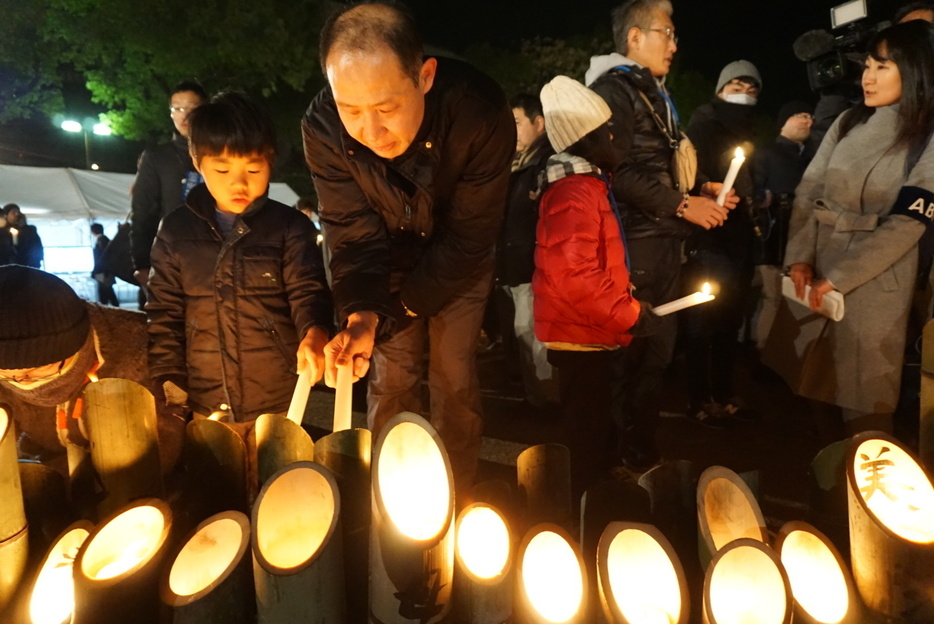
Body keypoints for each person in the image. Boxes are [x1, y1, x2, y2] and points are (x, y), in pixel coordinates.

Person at [302, 2, 515, 495]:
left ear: (424, 76)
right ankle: (391, 494)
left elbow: (467, 239)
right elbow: (351, 230)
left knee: (453, 377)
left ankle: (455, 494)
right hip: (385, 259)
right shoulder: (321, 126)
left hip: (460, 260)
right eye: (350, 111)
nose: (370, 132)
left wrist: (393, 314)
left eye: (386, 109)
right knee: (389, 377)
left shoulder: (478, 111)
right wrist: (361, 316)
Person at [585, 0, 737, 470]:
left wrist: (701, 188)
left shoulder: (649, 89)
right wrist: (683, 204)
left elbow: (657, 165)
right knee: (630, 356)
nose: (674, 44)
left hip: (663, 241)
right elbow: (616, 173)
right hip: (635, 244)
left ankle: (639, 454)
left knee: (655, 355)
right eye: (666, 33)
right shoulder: (614, 90)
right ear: (634, 37)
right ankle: (611, 462)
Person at [783, 20, 934, 438]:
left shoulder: (927, 133)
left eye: (883, 67)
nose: (867, 77)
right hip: (816, 272)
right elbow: (808, 190)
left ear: (917, 69)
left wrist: (842, 276)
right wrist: (799, 256)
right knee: (816, 386)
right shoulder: (848, 121)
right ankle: (829, 493)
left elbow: (909, 222)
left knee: (865, 405)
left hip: (878, 281)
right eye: (866, 65)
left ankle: (868, 497)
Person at [146, 91, 333, 429]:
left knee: (280, 477)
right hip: (204, 393)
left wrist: (315, 331)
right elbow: (164, 311)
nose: (239, 182)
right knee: (218, 477)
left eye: (253, 168)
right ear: (196, 161)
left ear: (270, 162)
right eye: (221, 168)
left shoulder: (290, 227)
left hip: (278, 394)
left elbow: (308, 293)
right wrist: (168, 374)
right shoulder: (175, 231)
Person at [534, 76, 657, 499]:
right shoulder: (575, 191)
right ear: (586, 139)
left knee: (595, 422)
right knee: (585, 431)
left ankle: (595, 495)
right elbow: (576, 276)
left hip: (587, 331)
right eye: (606, 131)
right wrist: (630, 314)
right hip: (579, 334)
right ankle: (586, 514)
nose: (614, 137)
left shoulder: (585, 185)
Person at [0, 265, 184, 473]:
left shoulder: (142, 351)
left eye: (36, 370)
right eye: (5, 375)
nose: (21, 381)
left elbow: (158, 453)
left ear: (75, 345)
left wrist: (61, 477)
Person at [681, 60, 762, 425]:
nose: (744, 94)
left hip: (739, 240)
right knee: (702, 318)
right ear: (719, 89)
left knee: (730, 319)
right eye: (736, 86)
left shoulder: (749, 132)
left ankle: (725, 390)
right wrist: (705, 188)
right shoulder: (703, 124)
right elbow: (687, 175)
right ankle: (699, 396)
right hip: (709, 237)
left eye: (752, 89)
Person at [496, 93, 556, 408]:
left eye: (517, 123)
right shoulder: (518, 162)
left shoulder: (546, 163)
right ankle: (536, 395)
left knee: (532, 332)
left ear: (539, 123)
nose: (511, 130)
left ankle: (545, 401)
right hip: (514, 263)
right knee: (522, 333)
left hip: (532, 266)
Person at [131, 80, 207, 307]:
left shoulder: (219, 152)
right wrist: (142, 264)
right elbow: (143, 211)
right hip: (168, 264)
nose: (184, 116)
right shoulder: (157, 157)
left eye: (192, 108)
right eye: (178, 108)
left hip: (213, 259)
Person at [752, 101, 815, 350]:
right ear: (784, 120)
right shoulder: (766, 152)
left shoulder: (812, 156)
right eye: (800, 115)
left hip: (801, 236)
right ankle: (764, 349)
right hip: (773, 236)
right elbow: (753, 190)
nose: (807, 121)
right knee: (774, 296)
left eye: (810, 116)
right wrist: (763, 198)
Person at [3, 203, 43, 268]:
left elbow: (36, 246)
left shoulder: (29, 230)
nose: (17, 214)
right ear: (6, 215)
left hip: (28, 265)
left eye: (18, 212)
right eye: (13, 212)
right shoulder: (3, 232)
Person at [90, 222, 120, 306]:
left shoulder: (102, 241)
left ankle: (106, 309)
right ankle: (113, 308)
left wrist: (96, 271)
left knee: (104, 291)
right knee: (108, 291)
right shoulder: (104, 240)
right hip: (105, 271)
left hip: (103, 271)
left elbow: (102, 258)